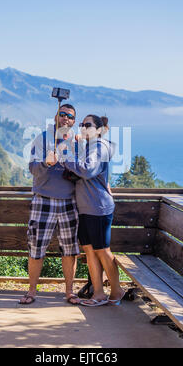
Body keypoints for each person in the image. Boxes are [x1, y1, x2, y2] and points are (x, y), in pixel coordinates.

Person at [57, 114, 125, 307]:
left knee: (102, 250)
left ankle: (117, 290)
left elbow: (87, 170)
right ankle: (98, 293)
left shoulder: (99, 147)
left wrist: (65, 159)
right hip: (86, 207)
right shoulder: (89, 146)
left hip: (98, 207)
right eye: (82, 124)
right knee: (89, 250)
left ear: (99, 129)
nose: (83, 127)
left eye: (87, 125)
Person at [19, 104, 81, 305]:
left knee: (70, 249)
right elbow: (32, 169)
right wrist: (47, 163)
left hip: (69, 202)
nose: (65, 119)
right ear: (56, 116)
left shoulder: (77, 142)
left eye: (69, 117)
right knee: (36, 247)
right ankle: (31, 291)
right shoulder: (42, 138)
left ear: (74, 121)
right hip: (43, 200)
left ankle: (70, 291)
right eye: (62, 114)